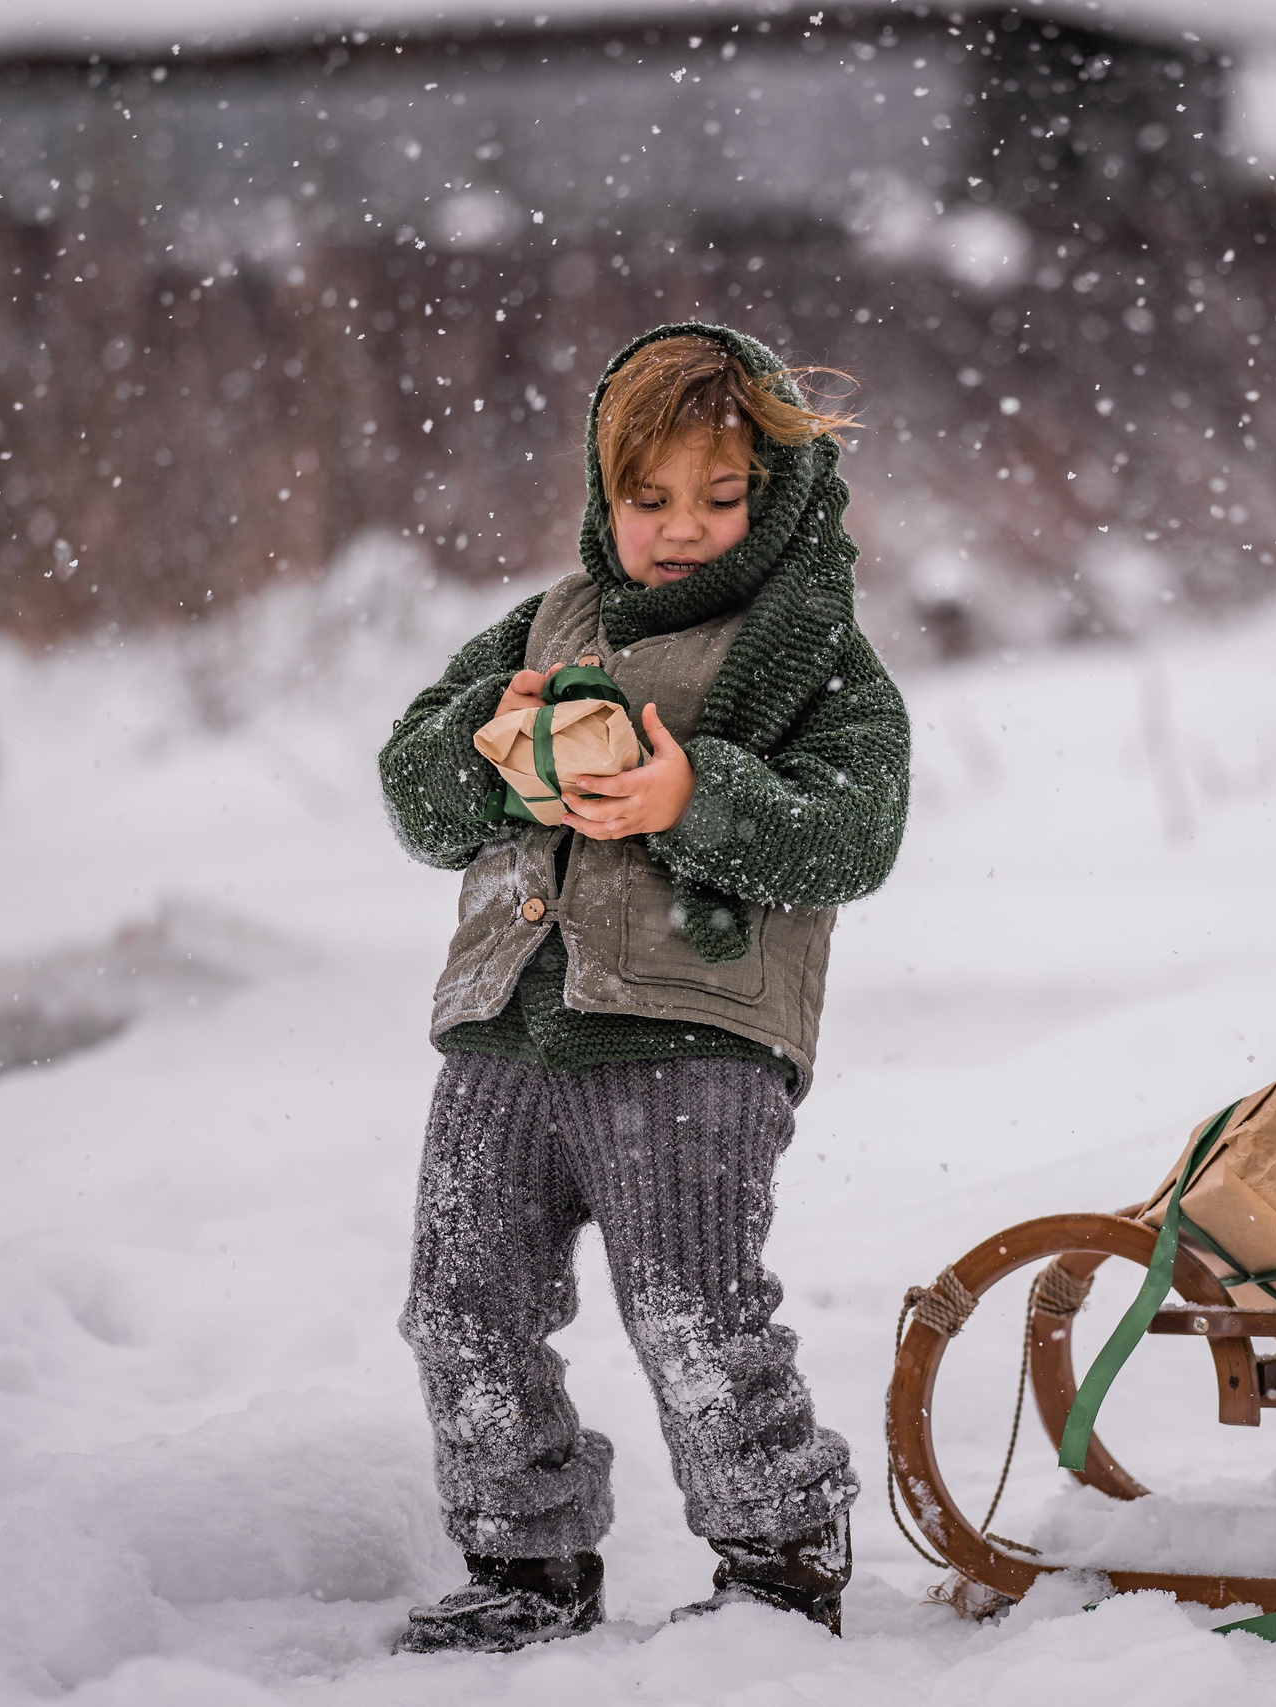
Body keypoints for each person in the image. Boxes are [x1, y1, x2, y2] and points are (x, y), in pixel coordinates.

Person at [374, 324, 909, 1651]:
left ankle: (780, 1547)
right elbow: (413, 781)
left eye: (720, 500)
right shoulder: (544, 625)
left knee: (689, 1299)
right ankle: (523, 1555)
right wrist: (492, 749)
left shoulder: (807, 649)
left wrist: (692, 793)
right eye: (647, 498)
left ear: (773, 496)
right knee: (462, 1292)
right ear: (600, 496)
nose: (679, 529)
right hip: (508, 1017)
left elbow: (854, 828)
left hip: (692, 1025)